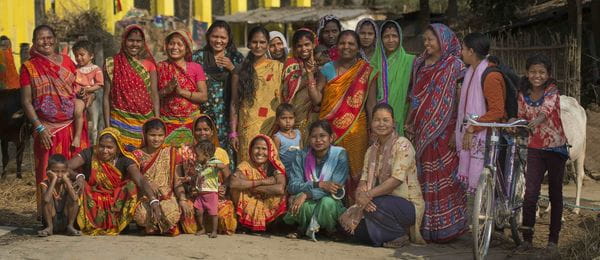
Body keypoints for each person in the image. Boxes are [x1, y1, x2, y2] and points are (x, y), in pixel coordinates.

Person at [405, 23, 468, 242]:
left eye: (431, 39)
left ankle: (449, 228)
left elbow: (461, 102)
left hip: (446, 131)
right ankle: (426, 226)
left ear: (443, 40)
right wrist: (410, 121)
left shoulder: (455, 66)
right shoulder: (419, 63)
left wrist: (457, 132)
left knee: (446, 177)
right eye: (425, 40)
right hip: (422, 132)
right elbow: (415, 96)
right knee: (423, 177)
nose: (427, 43)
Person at [20, 25, 89, 215]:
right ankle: (48, 217)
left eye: (49, 37)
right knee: (46, 173)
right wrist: (40, 129)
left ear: (55, 39)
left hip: (70, 128)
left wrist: (82, 93)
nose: (46, 41)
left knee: (73, 171)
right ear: (34, 42)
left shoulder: (67, 61)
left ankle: (72, 216)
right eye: (41, 38)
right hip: (46, 130)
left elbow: (76, 87)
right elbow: (26, 101)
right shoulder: (29, 67)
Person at [341, 103, 426, 247]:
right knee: (347, 227)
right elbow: (363, 180)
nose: (381, 124)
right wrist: (361, 196)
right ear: (371, 123)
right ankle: (385, 235)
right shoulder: (371, 150)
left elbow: (395, 181)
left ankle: (399, 234)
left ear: (394, 123)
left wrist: (368, 195)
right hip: (379, 202)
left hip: (406, 205)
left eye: (386, 120)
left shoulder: (403, 145)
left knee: (377, 205)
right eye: (377, 120)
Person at [311, 30, 377, 203]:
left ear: (358, 48)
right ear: (337, 46)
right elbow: (318, 98)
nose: (346, 47)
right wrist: (310, 77)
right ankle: (330, 216)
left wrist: (374, 131)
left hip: (357, 129)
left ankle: (354, 214)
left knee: (356, 171)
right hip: (329, 129)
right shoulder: (326, 68)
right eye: (342, 43)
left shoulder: (366, 70)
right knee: (330, 170)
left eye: (351, 44)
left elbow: (370, 104)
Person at [67, 127, 162, 235]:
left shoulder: (125, 158)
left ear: (117, 148)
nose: (104, 151)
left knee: (131, 186)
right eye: (101, 146)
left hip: (115, 198)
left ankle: (118, 222)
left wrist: (153, 201)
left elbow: (139, 179)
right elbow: (65, 167)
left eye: (109, 147)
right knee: (78, 184)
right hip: (92, 194)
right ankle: (75, 223)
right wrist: (78, 175)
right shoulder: (90, 153)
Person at [516, 54, 568, 253]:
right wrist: (515, 124)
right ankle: (527, 239)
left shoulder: (552, 90)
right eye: (533, 72)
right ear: (527, 73)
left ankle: (552, 241)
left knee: (555, 194)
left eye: (541, 72)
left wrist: (537, 121)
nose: (537, 75)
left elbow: (546, 110)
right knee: (530, 194)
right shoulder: (522, 93)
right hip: (534, 148)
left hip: (555, 148)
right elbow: (521, 116)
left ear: (548, 75)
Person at [456, 33, 506, 192]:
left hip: (489, 138)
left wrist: (473, 127)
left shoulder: (490, 76)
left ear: (471, 51)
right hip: (476, 132)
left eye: (463, 49)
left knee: (486, 187)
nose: (461, 52)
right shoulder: (471, 72)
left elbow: (497, 111)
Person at [283, 120, 348, 240]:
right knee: (304, 205)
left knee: (326, 203)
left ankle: (330, 229)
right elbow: (292, 186)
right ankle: (302, 228)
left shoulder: (340, 155)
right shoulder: (301, 155)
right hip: (308, 201)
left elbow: (335, 189)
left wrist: (307, 194)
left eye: (322, 136)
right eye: (314, 136)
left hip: (330, 201)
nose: (318, 140)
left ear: (331, 137)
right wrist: (319, 184)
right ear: (309, 138)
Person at [192, 21, 244, 165]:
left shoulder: (236, 58)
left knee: (227, 155)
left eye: (223, 38)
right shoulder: (198, 57)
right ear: (208, 37)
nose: (219, 41)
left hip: (229, 116)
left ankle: (226, 186)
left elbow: (246, 83)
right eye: (215, 36)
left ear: (229, 39)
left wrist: (232, 68)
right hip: (205, 115)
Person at [230, 26, 283, 164]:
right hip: (247, 127)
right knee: (247, 166)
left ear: (267, 45)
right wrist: (233, 132)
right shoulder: (239, 70)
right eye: (254, 42)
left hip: (271, 125)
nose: (258, 46)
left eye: (262, 42)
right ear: (248, 44)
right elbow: (234, 103)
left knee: (270, 164)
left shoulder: (278, 67)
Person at [104, 24, 160, 149]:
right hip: (119, 122)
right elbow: (106, 97)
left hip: (145, 122)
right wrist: (108, 126)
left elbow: (155, 94)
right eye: (131, 40)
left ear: (143, 43)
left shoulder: (149, 65)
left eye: (138, 41)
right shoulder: (112, 63)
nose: (135, 44)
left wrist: (157, 120)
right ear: (124, 41)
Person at [181, 114, 237, 235]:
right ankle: (202, 227)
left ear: (212, 132)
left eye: (206, 129)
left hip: (214, 194)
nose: (202, 133)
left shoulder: (220, 153)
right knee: (188, 221)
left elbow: (228, 177)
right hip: (195, 194)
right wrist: (190, 188)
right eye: (198, 129)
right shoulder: (186, 151)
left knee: (227, 221)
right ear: (193, 132)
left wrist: (224, 187)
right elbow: (184, 179)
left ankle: (213, 229)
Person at [131, 119, 188, 236]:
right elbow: (134, 179)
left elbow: (176, 179)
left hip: (166, 196)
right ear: (145, 135)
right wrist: (147, 184)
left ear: (165, 136)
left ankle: (156, 227)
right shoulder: (137, 155)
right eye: (152, 135)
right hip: (145, 197)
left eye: (160, 135)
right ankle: (155, 226)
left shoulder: (171, 152)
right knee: (142, 216)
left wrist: (182, 199)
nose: (156, 139)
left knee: (170, 214)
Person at [158, 30, 208, 147]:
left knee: (189, 159)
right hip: (167, 124)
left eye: (179, 44)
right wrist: (166, 90)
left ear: (187, 48)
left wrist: (181, 92)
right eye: (171, 43)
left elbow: (203, 96)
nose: (175, 47)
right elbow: (152, 97)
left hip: (191, 124)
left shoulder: (196, 68)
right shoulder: (159, 67)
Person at [229, 134, 287, 232]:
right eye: (257, 148)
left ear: (270, 151)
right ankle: (246, 225)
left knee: (284, 194)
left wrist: (251, 187)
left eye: (264, 149)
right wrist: (262, 182)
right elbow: (233, 183)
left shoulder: (275, 166)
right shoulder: (245, 165)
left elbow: (280, 188)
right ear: (251, 150)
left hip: (268, 202)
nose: (260, 152)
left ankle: (272, 224)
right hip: (251, 200)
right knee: (236, 190)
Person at [370, 21, 415, 134]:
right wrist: (373, 125)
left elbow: (415, 93)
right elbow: (371, 99)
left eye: (394, 36)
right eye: (386, 36)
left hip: (402, 116)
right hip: (379, 120)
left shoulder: (410, 61)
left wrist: (409, 121)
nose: (390, 40)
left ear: (400, 38)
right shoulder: (373, 64)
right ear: (380, 40)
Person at [282, 29, 319, 145]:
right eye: (299, 46)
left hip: (315, 114)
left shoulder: (320, 63)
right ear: (294, 47)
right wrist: (307, 74)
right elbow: (287, 90)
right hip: (296, 115)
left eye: (307, 44)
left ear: (314, 44)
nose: (303, 49)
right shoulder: (291, 64)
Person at [181, 140, 222, 238]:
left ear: (206, 155)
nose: (196, 157)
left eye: (198, 155)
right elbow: (197, 176)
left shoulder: (214, 161)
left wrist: (214, 165)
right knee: (198, 212)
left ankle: (214, 231)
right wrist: (189, 178)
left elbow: (223, 165)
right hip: (200, 194)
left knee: (213, 214)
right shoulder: (199, 166)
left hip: (211, 194)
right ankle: (202, 228)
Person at [38, 154, 80, 237]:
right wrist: (53, 179)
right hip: (51, 219)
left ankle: (70, 226)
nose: (60, 175)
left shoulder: (67, 183)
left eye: (63, 171)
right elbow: (46, 200)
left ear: (67, 171)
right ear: (48, 171)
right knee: (47, 198)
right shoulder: (45, 184)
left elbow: (75, 199)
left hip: (65, 218)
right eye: (55, 171)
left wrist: (67, 181)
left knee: (72, 198)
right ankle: (49, 228)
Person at [72, 40, 104, 148]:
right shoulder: (75, 69)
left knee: (94, 124)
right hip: (77, 96)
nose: (79, 58)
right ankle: (78, 136)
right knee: (77, 112)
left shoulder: (96, 69)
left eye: (82, 55)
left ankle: (93, 144)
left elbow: (99, 84)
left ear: (91, 56)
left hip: (89, 96)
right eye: (76, 55)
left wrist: (87, 90)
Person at [273, 103, 302, 171]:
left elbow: (301, 150)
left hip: (299, 169)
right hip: (285, 170)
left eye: (291, 118)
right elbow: (276, 157)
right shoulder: (277, 137)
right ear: (277, 120)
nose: (288, 121)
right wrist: (281, 170)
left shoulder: (298, 133)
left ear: (295, 119)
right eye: (283, 118)